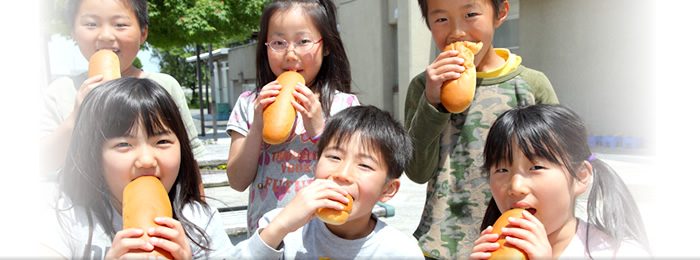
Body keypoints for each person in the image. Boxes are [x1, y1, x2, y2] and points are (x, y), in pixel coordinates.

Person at [404, 0, 560, 257]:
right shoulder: (424, 87)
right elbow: (417, 172)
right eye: (441, 19)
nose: (457, 31)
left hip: (511, 245)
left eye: (470, 14)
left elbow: (556, 175)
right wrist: (432, 102)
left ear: (501, 13)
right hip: (440, 245)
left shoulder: (531, 85)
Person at [41, 78, 235, 259]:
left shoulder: (200, 220)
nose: (146, 160)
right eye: (124, 144)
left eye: (162, 141)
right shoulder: (65, 217)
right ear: (94, 155)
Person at [226, 0, 359, 236]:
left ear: (326, 46)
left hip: (323, 237)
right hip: (266, 237)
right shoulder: (249, 103)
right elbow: (237, 181)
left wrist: (320, 130)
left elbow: (352, 176)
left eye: (303, 41)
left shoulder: (344, 106)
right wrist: (258, 125)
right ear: (265, 46)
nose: (290, 54)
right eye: (278, 43)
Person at [235, 105, 424, 259]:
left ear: (388, 189)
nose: (342, 174)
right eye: (334, 157)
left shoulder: (401, 252)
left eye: (365, 165)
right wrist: (281, 226)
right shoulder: (280, 227)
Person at [40, 0, 205, 173]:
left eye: (120, 24)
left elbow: (189, 162)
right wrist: (76, 117)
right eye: (91, 24)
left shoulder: (165, 86)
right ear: (74, 31)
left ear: (143, 33)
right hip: (82, 200)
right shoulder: (61, 92)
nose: (106, 35)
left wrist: (196, 200)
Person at [470, 104, 650, 259]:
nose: (516, 187)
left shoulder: (619, 252)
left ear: (580, 176)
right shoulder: (490, 251)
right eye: (502, 170)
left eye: (536, 167)